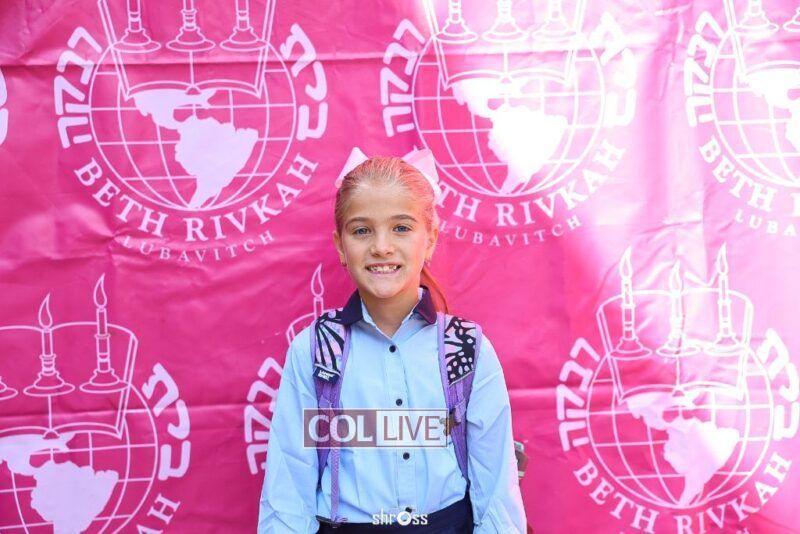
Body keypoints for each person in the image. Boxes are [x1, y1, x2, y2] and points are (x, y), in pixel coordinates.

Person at [258, 148, 526, 533]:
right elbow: (288, 491)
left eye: (401, 228)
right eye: (361, 230)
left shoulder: (467, 348)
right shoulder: (316, 351)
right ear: (340, 246)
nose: (381, 246)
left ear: (430, 240)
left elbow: (496, 491)